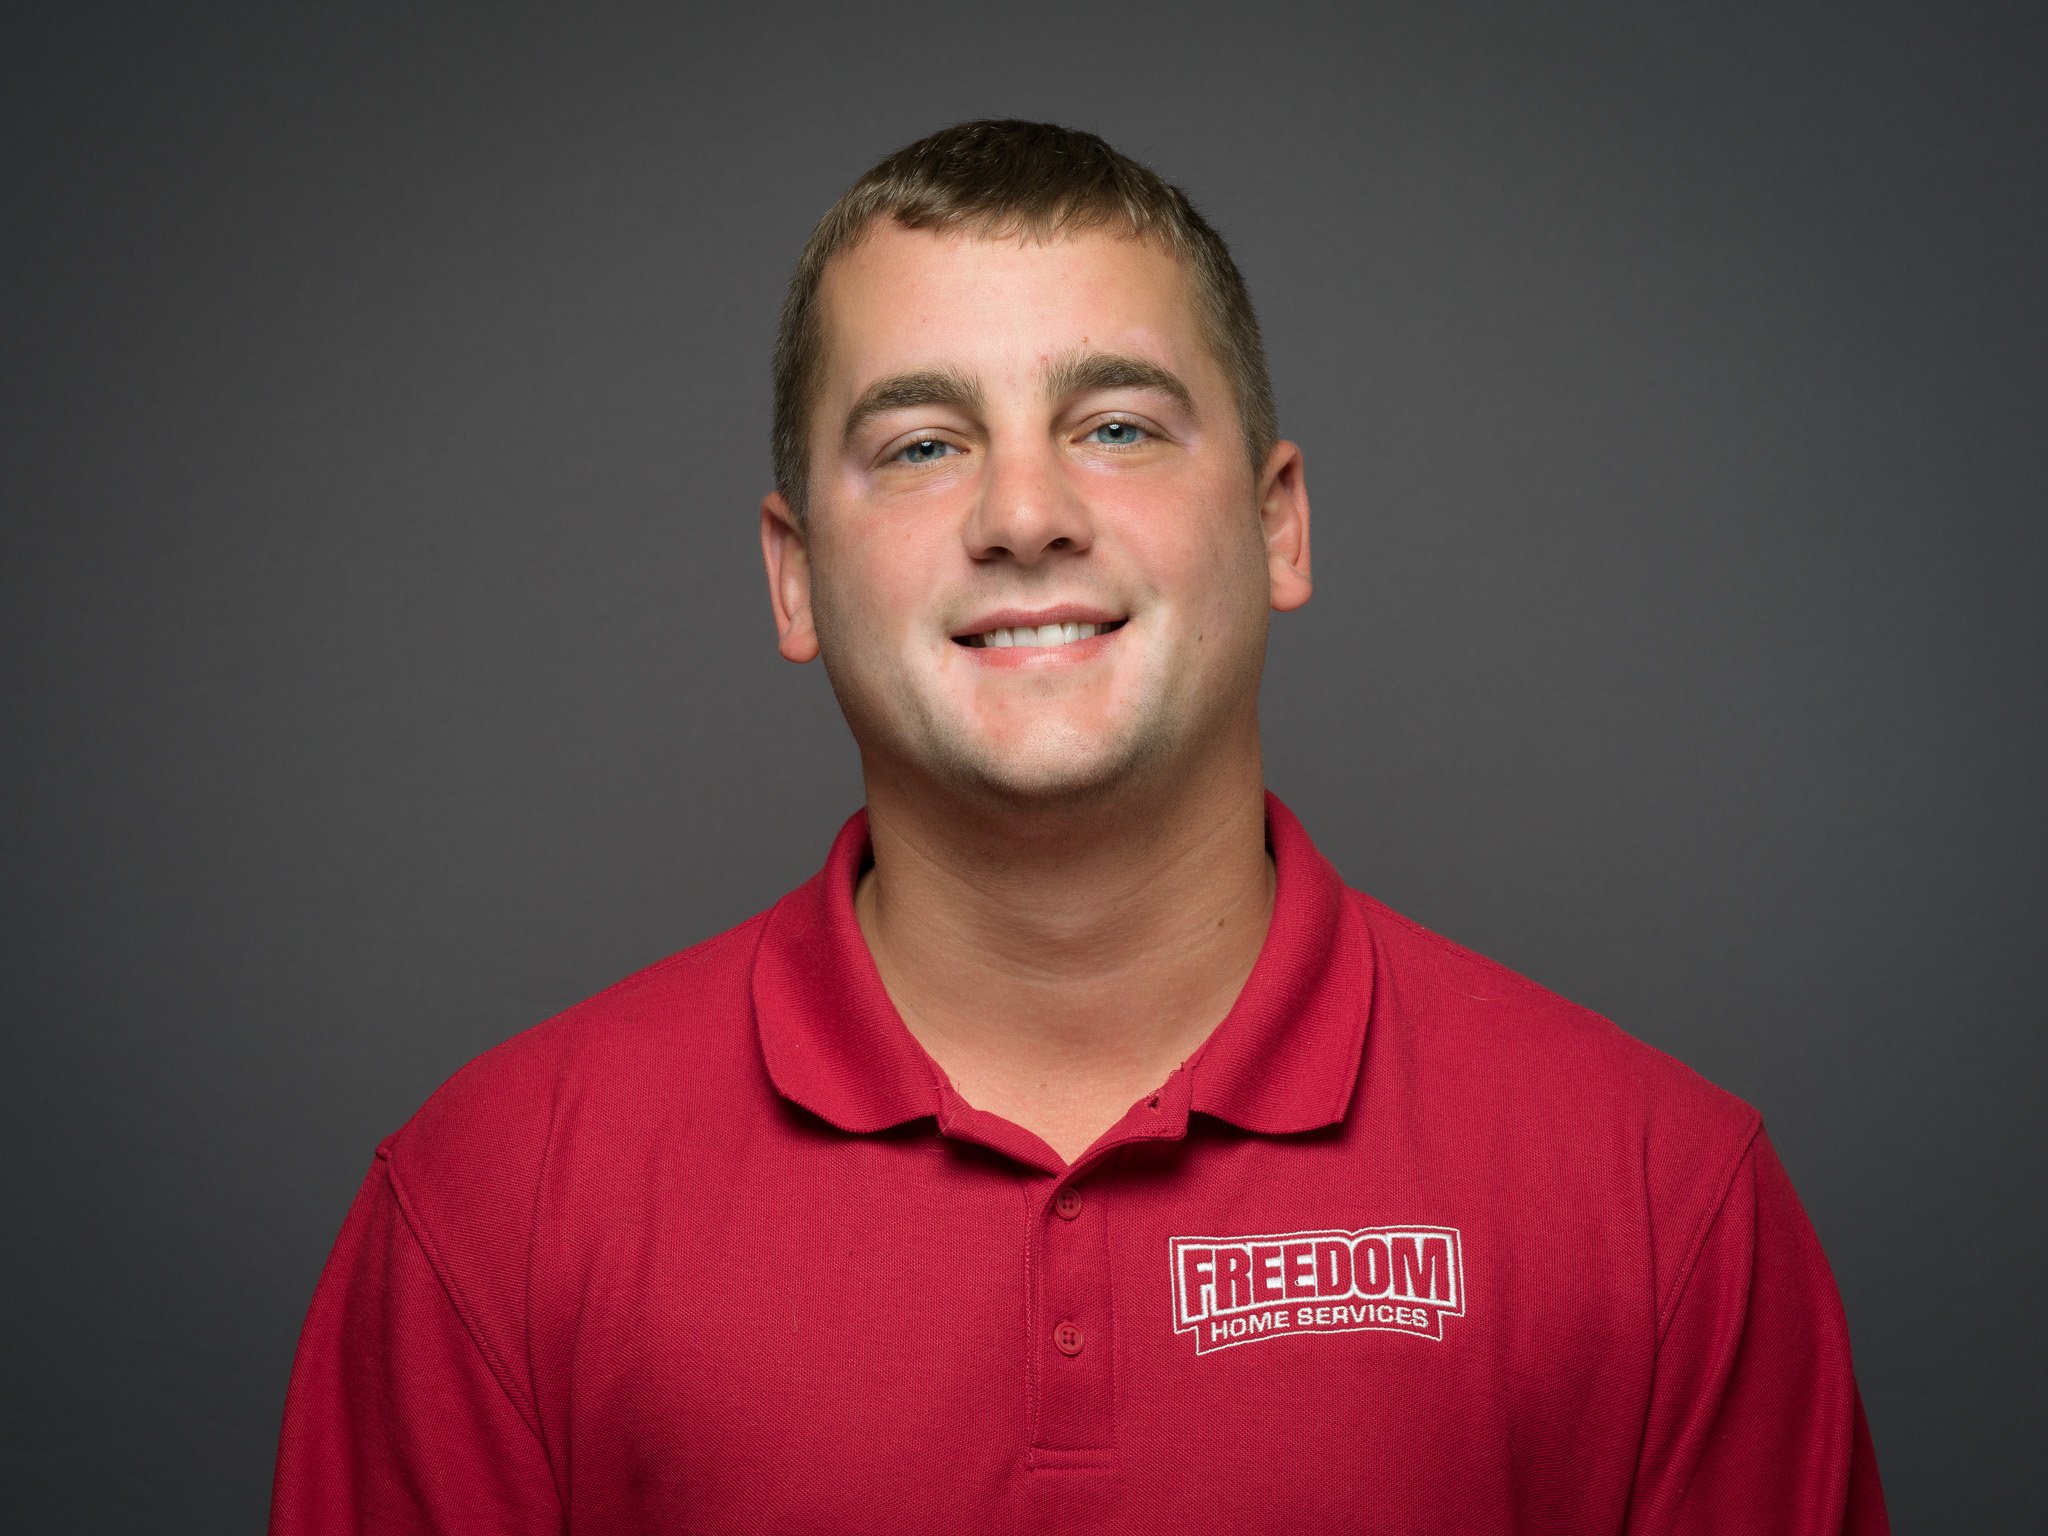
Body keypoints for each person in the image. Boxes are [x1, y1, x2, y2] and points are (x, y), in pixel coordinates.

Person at [269, 120, 1888, 1534]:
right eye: (922, 446)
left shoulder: (1660, 1202)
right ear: (794, 576)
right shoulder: (495, 1207)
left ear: (1279, 524)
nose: (1025, 515)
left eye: (1116, 425)